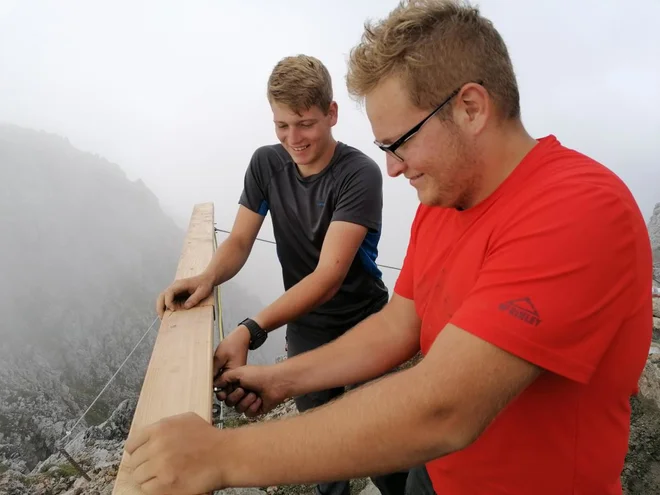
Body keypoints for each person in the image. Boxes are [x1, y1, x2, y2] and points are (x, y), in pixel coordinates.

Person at [129, 1, 653, 494]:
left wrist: (219, 457)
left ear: (470, 107)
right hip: (438, 474)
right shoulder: (444, 201)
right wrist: (280, 380)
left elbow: (446, 408)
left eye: (398, 143)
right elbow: (398, 325)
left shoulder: (578, 208)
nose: (393, 167)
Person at [155, 54, 411, 495]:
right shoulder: (265, 164)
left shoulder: (359, 174)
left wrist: (249, 331)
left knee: (386, 450)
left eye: (305, 123)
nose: (294, 138)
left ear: (331, 114)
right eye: (281, 126)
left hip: (366, 324)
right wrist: (206, 278)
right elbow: (238, 242)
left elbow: (328, 275)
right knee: (322, 454)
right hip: (306, 329)